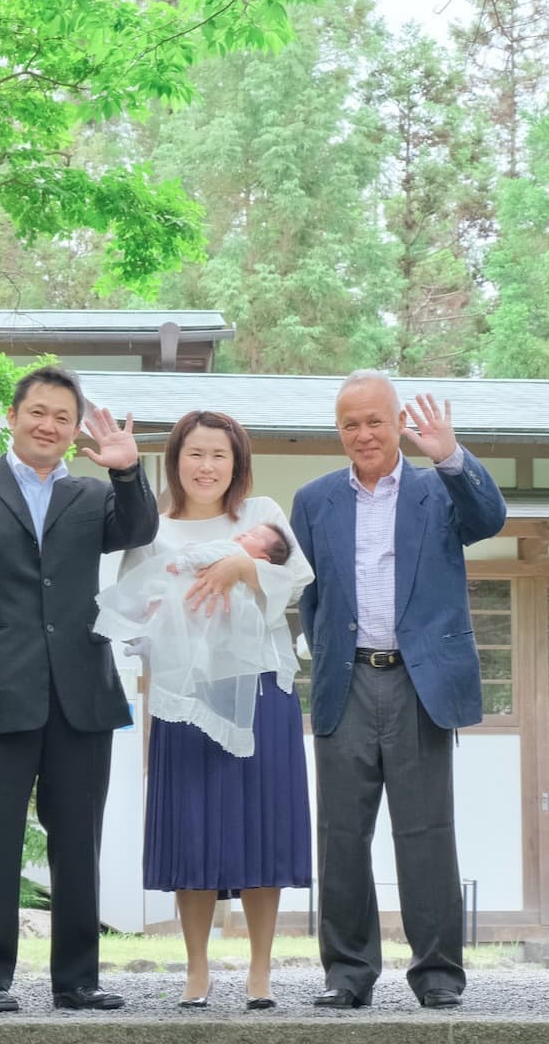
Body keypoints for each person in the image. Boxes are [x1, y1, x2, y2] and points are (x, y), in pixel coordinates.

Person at [0, 365, 158, 1014]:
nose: (49, 425)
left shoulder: (91, 498)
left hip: (82, 689)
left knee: (78, 842)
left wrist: (125, 469)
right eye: (39, 412)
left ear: (74, 427)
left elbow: (138, 531)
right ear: (13, 415)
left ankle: (77, 979)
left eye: (63, 416)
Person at [290, 370, 507, 1010]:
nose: (363, 435)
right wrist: (326, 650)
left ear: (398, 424)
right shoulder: (314, 499)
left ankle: (438, 974)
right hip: (346, 680)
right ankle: (348, 973)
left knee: (426, 831)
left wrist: (452, 456)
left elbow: (490, 518)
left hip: (419, 682)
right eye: (350, 424)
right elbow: (308, 591)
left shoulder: (434, 491)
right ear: (339, 431)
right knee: (341, 835)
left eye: (374, 421)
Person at [121, 410, 313, 1010]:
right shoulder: (151, 527)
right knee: (193, 831)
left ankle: (260, 971)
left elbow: (301, 576)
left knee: (262, 827)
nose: (207, 467)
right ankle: (197, 969)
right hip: (183, 696)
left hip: (260, 690)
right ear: (175, 459)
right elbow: (130, 608)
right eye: (195, 454)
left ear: (238, 464)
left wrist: (245, 565)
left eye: (219, 455)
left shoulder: (261, 516)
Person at [94, 523, 296, 757]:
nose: (244, 533)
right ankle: (148, 643)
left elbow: (290, 583)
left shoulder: (235, 551)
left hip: (223, 639)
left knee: (185, 632)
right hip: (193, 610)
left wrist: (184, 563)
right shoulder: (152, 523)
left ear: (263, 557)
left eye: (253, 535)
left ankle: (151, 644)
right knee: (174, 626)